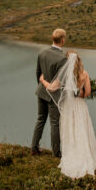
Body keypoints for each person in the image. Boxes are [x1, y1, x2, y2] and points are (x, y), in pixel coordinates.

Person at [39, 50, 96, 178]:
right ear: (79, 61)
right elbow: (87, 93)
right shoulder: (85, 74)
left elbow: (51, 88)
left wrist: (42, 80)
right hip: (80, 107)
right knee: (82, 130)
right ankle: (86, 157)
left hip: (68, 107)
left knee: (69, 130)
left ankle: (71, 155)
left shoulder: (64, 76)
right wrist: (79, 94)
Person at [31, 28, 68, 157]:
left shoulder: (42, 52)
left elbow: (38, 73)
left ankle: (34, 148)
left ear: (53, 38)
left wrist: (42, 87)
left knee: (40, 119)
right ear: (62, 40)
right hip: (54, 95)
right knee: (55, 123)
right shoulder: (63, 58)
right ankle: (56, 153)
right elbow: (62, 81)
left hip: (41, 91)